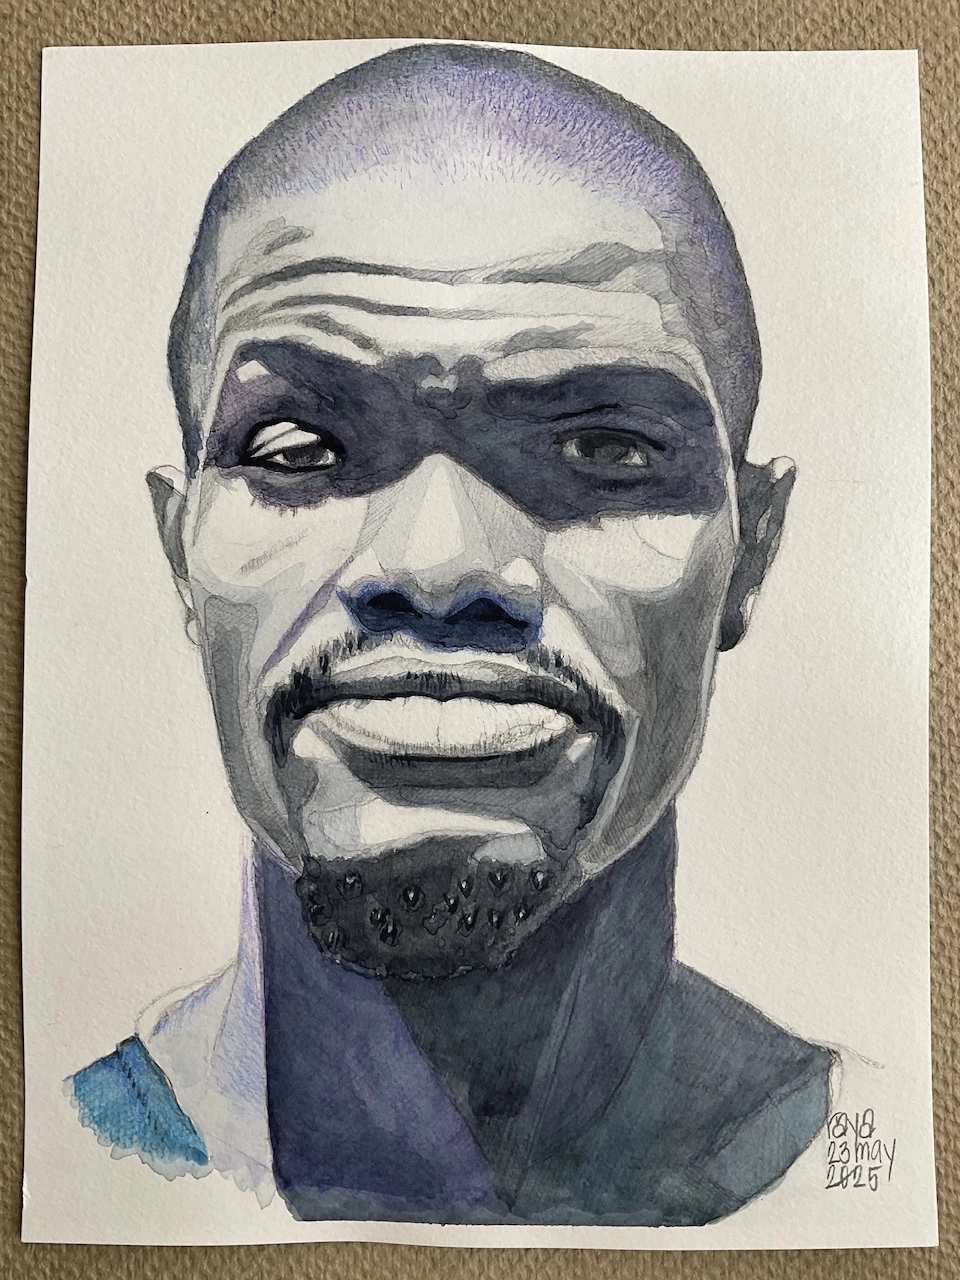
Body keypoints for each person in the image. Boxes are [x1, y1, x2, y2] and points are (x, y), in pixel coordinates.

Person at [70, 41, 833, 1226]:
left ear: (753, 553)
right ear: (182, 553)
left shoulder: (876, 1164)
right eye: (300, 450)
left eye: (605, 448)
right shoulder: (75, 1164)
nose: (437, 565)